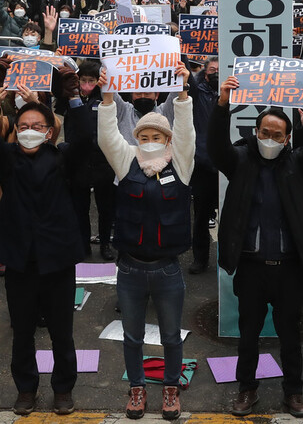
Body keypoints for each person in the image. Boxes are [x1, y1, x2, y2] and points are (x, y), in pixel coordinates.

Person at [0, 60, 90, 417]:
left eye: (37, 126)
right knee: (22, 332)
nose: (29, 131)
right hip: (20, 261)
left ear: (50, 132)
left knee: (61, 333)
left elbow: (84, 137)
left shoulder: (63, 158)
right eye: (23, 126)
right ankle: (26, 390)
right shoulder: (7, 159)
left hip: (57, 261)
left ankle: (63, 390)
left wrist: (71, 97)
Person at [212, 76, 303, 418]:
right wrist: (222, 106)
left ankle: (293, 393)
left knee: (290, 337)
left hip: (289, 270)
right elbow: (215, 146)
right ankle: (246, 391)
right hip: (250, 268)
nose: (269, 139)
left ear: (288, 138)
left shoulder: (299, 164)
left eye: (277, 135)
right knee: (248, 336)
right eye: (264, 132)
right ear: (255, 132)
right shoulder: (240, 161)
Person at [97, 64, 194, 420]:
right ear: (136, 139)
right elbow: (108, 136)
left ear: (168, 141)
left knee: (171, 336)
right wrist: (107, 95)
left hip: (168, 271)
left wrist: (183, 92)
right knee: (132, 337)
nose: (150, 141)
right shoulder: (126, 163)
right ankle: (136, 388)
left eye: (157, 136)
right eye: (144, 135)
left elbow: (186, 132)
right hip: (130, 270)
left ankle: (171, 388)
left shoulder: (181, 164)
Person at [67, 60, 117, 260]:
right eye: (82, 80)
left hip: (103, 162)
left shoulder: (107, 98)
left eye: (91, 80)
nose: (86, 84)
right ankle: (83, 244)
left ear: (99, 81)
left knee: (106, 208)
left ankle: (106, 244)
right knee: (80, 208)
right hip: (77, 162)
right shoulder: (69, 98)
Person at [186, 58, 219, 273]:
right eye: (213, 70)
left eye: (220, 69)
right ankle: (200, 258)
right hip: (203, 165)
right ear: (205, 74)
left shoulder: (236, 92)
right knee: (200, 217)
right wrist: (177, 51)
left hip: (228, 167)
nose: (217, 73)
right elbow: (186, 77)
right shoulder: (198, 92)